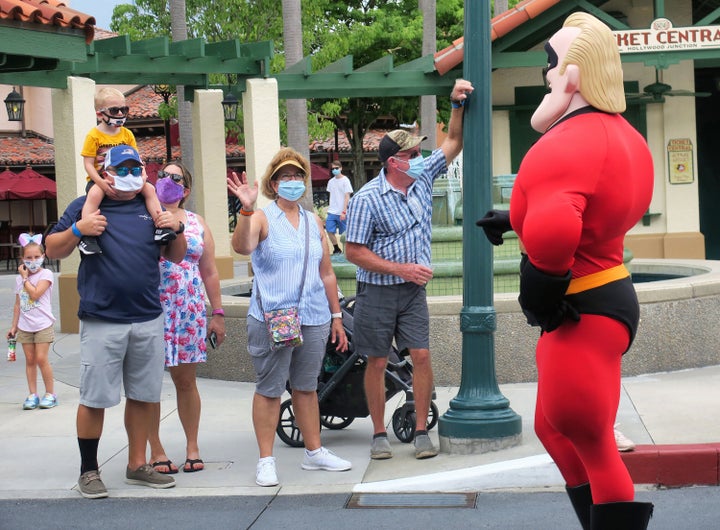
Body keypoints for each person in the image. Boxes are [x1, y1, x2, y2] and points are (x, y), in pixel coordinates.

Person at [476, 13, 653, 529]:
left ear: (572, 74)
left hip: (582, 306)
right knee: (556, 427)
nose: (547, 75)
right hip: (605, 295)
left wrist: (541, 295)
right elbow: (598, 207)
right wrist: (516, 217)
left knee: (589, 437)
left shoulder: (563, 143)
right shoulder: (627, 138)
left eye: (550, 64)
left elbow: (557, 233)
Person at [45, 144, 187, 499]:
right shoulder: (84, 205)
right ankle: (89, 471)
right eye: (120, 168)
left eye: (134, 167)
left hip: (147, 317)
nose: (128, 175)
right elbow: (52, 249)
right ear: (105, 172)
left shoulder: (150, 206)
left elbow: (175, 256)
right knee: (94, 398)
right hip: (101, 318)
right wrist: (79, 229)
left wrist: (177, 228)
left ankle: (138, 464)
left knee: (144, 396)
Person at [344, 77, 473, 461]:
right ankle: (379, 434)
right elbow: (353, 252)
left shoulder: (420, 179)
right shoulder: (368, 198)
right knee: (378, 359)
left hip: (412, 293)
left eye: (418, 152)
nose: (419, 157)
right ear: (393, 163)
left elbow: (453, 142)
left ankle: (420, 432)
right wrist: (401, 269)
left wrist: (456, 104)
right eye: (412, 154)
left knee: (421, 356)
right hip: (378, 291)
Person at [227, 147, 351, 487]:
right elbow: (242, 247)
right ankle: (266, 460)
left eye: (297, 176)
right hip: (273, 315)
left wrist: (336, 315)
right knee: (269, 389)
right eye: (285, 177)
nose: (292, 182)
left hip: (313, 315)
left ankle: (315, 452)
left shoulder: (314, 221)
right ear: (273, 182)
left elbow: (326, 272)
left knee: (307, 387)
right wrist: (246, 210)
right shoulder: (263, 217)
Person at [148, 161, 226, 475]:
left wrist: (217, 313)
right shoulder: (144, 217)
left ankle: (192, 446)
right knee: (148, 385)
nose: (167, 180)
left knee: (186, 382)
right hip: (151, 310)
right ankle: (155, 448)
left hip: (188, 313)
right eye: (162, 175)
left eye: (175, 177)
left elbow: (209, 270)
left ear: (186, 189)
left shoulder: (197, 222)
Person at [78, 87, 173, 255]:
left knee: (150, 189)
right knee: (93, 196)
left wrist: (143, 177)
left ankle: (161, 226)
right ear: (100, 114)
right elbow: (88, 164)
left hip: (128, 174)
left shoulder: (127, 134)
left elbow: (138, 159)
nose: (121, 113)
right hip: (102, 178)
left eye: (124, 109)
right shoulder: (94, 136)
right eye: (115, 110)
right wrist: (101, 183)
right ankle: (88, 237)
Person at [6, 233, 57, 410]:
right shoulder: (18, 279)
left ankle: (50, 394)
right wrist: (14, 327)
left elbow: (35, 294)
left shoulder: (46, 274)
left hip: (43, 324)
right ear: (22, 259)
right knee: (29, 360)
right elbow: (18, 304)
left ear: (43, 256)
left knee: (41, 358)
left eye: (36, 257)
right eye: (29, 257)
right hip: (25, 326)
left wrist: (25, 278)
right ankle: (32, 394)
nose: (33, 260)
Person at [325, 160, 353, 254]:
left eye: (336, 168)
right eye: (332, 169)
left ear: (341, 168)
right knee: (329, 230)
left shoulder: (345, 180)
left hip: (342, 212)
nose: (334, 170)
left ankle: (348, 252)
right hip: (332, 211)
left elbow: (347, 196)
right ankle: (336, 248)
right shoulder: (330, 182)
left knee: (345, 234)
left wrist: (344, 211)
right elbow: (331, 195)